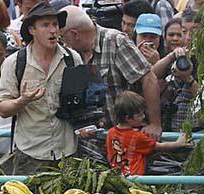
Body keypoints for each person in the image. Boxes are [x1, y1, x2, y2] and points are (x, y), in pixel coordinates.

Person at [0, 3, 88, 175]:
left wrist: (86, 125)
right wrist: (23, 101)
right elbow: (3, 108)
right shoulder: (15, 62)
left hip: (67, 153)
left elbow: (82, 103)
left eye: (55, 24)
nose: (53, 30)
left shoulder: (72, 59)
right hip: (31, 154)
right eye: (45, 25)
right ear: (32, 30)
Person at [61, 5, 162, 140]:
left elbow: (149, 80)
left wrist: (155, 124)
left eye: (63, 36)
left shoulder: (115, 41)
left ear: (75, 34)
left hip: (127, 138)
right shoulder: (72, 55)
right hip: (95, 140)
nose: (63, 42)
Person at [106, 91, 188, 175]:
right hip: (135, 177)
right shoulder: (137, 137)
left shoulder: (110, 132)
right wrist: (179, 143)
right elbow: (159, 146)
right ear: (128, 118)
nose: (143, 117)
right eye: (139, 115)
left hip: (117, 175)